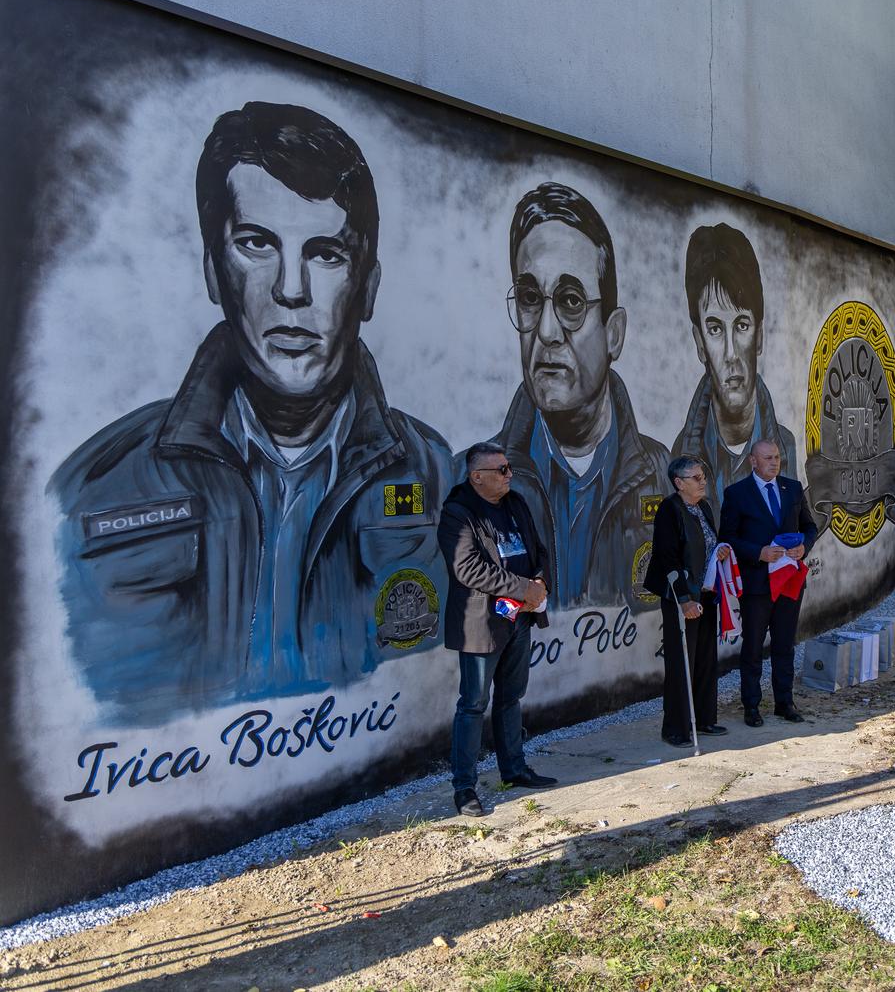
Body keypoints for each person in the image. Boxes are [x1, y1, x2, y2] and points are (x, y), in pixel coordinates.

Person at [49, 102, 454, 723]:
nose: (291, 289)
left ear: (367, 289)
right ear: (214, 271)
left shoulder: (434, 473)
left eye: (325, 254)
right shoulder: (98, 486)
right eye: (257, 245)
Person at [492, 182, 670, 611]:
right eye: (531, 299)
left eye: (571, 301)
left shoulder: (662, 476)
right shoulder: (479, 480)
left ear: (614, 333)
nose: (547, 332)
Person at [438, 442, 557, 817]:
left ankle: (514, 768)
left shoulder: (515, 502)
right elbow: (468, 569)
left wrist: (539, 580)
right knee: (473, 704)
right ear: (477, 477)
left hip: (519, 618)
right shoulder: (458, 514)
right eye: (501, 470)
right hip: (482, 623)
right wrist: (525, 588)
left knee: (511, 696)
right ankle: (464, 787)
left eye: (508, 468)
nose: (509, 475)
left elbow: (538, 548)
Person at [672, 223, 797, 502]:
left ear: (760, 337)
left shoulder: (786, 447)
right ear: (699, 343)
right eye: (715, 329)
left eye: (742, 325)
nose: (730, 353)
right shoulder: (680, 454)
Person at [718, 440, 818, 726]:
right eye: (767, 458)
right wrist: (757, 553)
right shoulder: (737, 494)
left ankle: (784, 703)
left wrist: (805, 547)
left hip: (789, 580)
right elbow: (727, 538)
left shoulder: (793, 488)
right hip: (757, 584)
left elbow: (809, 526)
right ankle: (751, 706)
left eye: (777, 457)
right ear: (753, 461)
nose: (774, 462)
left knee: (785, 645)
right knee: (752, 647)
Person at [643, 457, 732, 747]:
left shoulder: (703, 507)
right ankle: (676, 729)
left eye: (703, 475)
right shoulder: (670, 510)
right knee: (682, 660)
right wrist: (683, 600)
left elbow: (707, 544)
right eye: (695, 477)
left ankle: (705, 719)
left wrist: (718, 552)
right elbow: (667, 557)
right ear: (679, 483)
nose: (702, 480)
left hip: (705, 591)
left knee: (706, 657)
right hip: (681, 596)